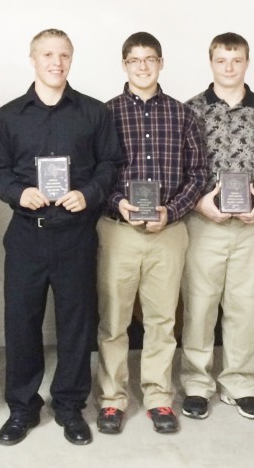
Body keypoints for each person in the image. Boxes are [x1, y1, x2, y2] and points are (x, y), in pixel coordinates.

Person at [0, 28, 123, 446]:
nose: (56, 62)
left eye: (63, 55)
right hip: (28, 235)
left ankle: (69, 406)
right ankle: (23, 408)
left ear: (71, 60)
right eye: (47, 54)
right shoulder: (10, 115)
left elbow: (109, 165)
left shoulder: (93, 113)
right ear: (33, 59)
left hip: (75, 236)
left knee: (76, 325)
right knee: (22, 323)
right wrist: (17, 192)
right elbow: (0, 170)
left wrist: (88, 194)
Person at [94, 31, 207, 435]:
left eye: (150, 59)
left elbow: (199, 174)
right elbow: (94, 174)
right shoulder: (104, 114)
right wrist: (117, 203)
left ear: (161, 63)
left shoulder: (182, 115)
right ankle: (112, 399)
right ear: (124, 65)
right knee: (114, 320)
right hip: (118, 231)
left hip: (168, 232)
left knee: (162, 321)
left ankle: (159, 397)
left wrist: (171, 210)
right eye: (135, 60)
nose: (143, 67)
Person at [179, 33, 254, 422]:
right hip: (203, 221)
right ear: (211, 62)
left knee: (244, 306)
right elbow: (181, 170)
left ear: (246, 62)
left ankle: (240, 385)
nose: (229, 67)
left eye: (236, 60)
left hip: (251, 224)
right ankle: (196, 384)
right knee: (200, 304)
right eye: (222, 60)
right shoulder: (190, 111)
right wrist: (199, 203)